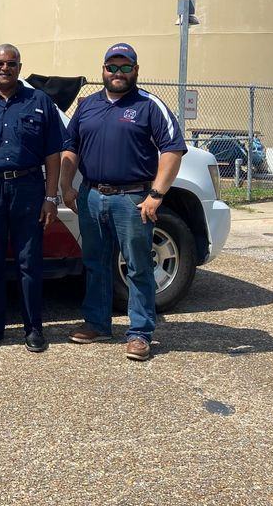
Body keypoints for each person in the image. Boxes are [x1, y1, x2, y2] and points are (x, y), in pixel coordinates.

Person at [59, 43, 186, 361]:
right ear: (102, 70)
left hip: (132, 199)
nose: (117, 73)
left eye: (125, 67)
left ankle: (140, 333)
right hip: (91, 196)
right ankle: (96, 323)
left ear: (136, 70)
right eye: (111, 67)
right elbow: (70, 146)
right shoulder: (87, 106)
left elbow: (172, 149)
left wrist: (156, 195)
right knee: (95, 263)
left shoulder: (149, 105)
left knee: (138, 266)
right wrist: (66, 186)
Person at [0, 44, 67, 353]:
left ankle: (33, 328)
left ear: (20, 67)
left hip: (28, 189)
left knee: (29, 262)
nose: (4, 68)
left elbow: (53, 153)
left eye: (11, 63)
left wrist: (51, 196)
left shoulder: (40, 102)